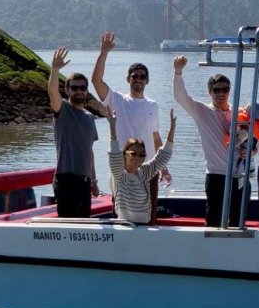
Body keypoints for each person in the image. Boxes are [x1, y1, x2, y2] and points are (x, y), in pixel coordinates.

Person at [93, 32, 169, 206]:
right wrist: (104, 52)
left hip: (149, 169)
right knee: (121, 213)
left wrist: (163, 168)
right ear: (128, 79)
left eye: (142, 77)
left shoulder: (153, 105)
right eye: (135, 76)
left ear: (147, 80)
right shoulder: (117, 100)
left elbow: (156, 139)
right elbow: (96, 81)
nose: (139, 79)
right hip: (123, 170)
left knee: (150, 214)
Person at [172, 55, 247, 227]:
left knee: (238, 222)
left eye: (225, 89)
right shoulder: (201, 111)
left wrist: (250, 150)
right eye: (216, 90)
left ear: (229, 90)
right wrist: (178, 72)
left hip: (239, 176)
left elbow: (255, 137)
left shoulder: (240, 113)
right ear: (210, 92)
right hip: (216, 176)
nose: (221, 93)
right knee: (213, 221)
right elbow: (180, 96)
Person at [47, 48, 98, 218]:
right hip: (66, 179)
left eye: (82, 88)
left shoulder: (90, 118)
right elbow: (53, 92)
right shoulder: (63, 111)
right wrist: (55, 70)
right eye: (74, 88)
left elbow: (89, 151)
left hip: (84, 182)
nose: (79, 91)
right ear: (67, 90)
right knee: (69, 228)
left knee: (84, 228)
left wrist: (94, 180)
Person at [110, 111, 176, 225]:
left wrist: (172, 130)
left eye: (142, 155)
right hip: (124, 227)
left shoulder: (145, 172)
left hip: (144, 227)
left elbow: (164, 155)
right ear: (125, 153)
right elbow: (114, 154)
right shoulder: (119, 174)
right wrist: (112, 126)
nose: (137, 157)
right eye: (133, 153)